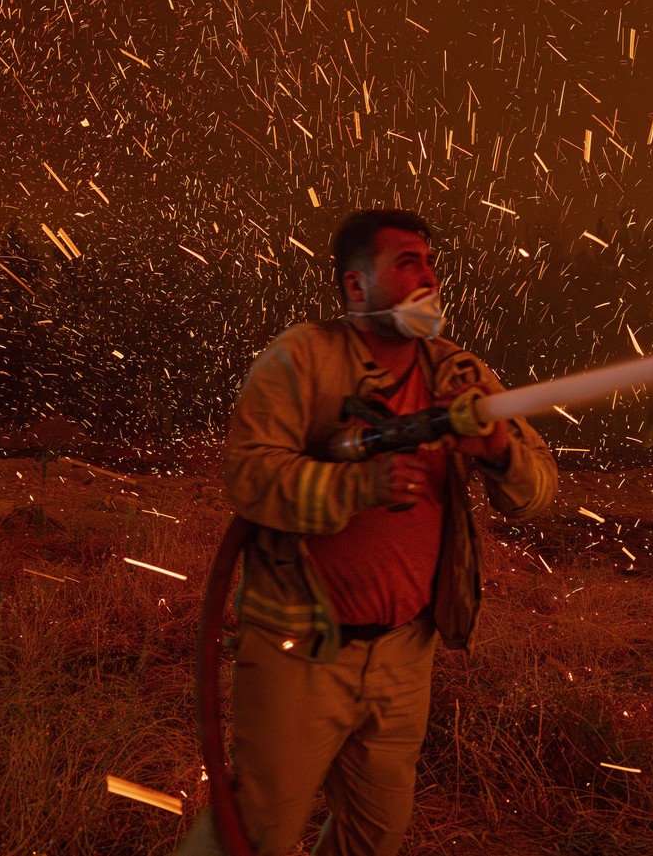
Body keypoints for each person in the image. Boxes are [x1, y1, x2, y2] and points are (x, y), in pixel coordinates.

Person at [176, 209, 557, 856]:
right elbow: (250, 476)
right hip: (300, 651)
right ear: (356, 285)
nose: (429, 278)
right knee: (256, 831)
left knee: (375, 836)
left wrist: (498, 450)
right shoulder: (303, 359)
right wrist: (358, 486)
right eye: (407, 263)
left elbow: (538, 490)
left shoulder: (459, 375)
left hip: (406, 653)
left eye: (430, 263)